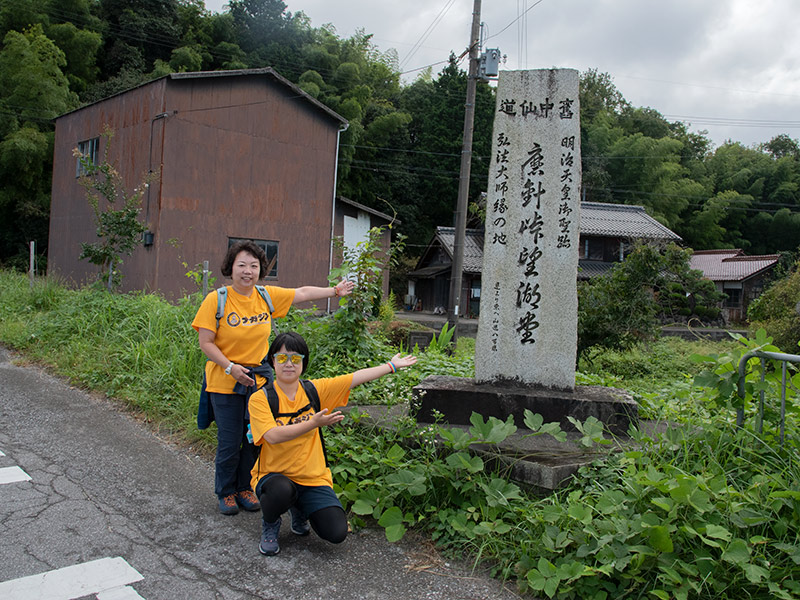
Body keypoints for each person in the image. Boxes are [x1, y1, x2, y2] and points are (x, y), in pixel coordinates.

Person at [192, 240, 354, 516]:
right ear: (230, 268)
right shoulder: (216, 300)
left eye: (254, 266)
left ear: (260, 270)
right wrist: (231, 367)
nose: (248, 271)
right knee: (230, 441)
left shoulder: (265, 296)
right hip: (226, 379)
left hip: (259, 380)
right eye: (241, 265)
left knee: (256, 438)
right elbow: (205, 342)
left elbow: (301, 293)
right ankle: (226, 492)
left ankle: (246, 487)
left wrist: (335, 291)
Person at [249, 331, 416, 556]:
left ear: (303, 362)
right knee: (280, 490)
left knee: (336, 532)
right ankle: (270, 523)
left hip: (311, 477)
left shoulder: (313, 390)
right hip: (273, 474)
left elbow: (355, 377)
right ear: (272, 361)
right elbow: (272, 436)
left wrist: (391, 366)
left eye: (295, 358)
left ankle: (299, 510)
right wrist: (312, 423)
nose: (289, 364)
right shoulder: (260, 398)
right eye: (282, 358)